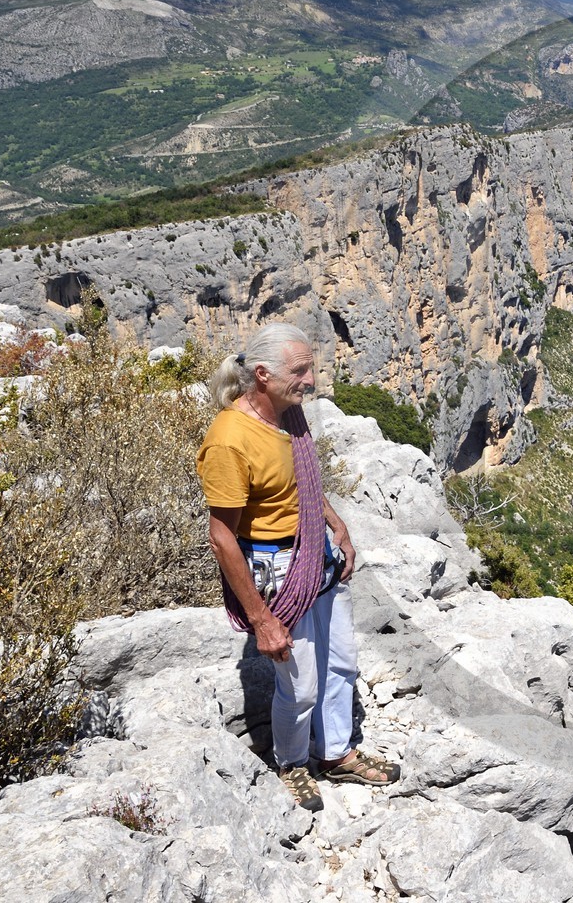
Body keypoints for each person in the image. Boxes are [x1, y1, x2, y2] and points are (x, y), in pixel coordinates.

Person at [197, 323, 399, 812]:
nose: (310, 380)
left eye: (310, 368)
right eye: (300, 370)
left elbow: (299, 486)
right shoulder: (229, 440)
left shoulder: (288, 415)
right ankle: (291, 763)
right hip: (278, 567)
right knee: (300, 684)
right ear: (262, 376)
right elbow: (222, 537)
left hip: (316, 552)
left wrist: (335, 522)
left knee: (342, 664)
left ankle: (335, 753)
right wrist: (262, 620)